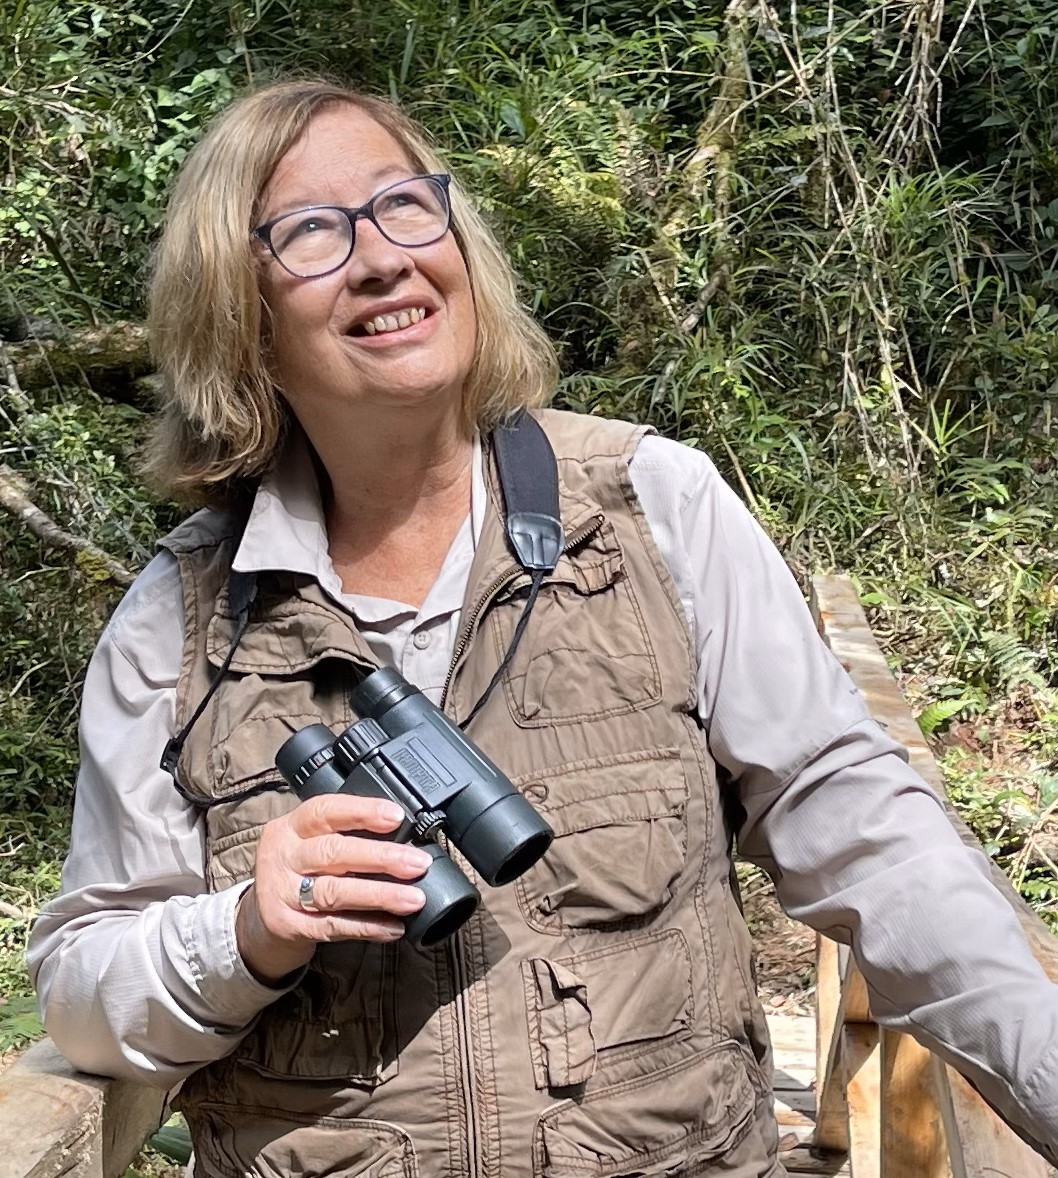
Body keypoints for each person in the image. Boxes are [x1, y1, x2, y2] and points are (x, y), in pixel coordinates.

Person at [27, 80, 1058, 1178]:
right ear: (241, 314)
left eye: (403, 206)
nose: (381, 258)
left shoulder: (650, 506)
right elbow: (85, 984)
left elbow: (868, 834)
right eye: (312, 232)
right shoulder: (185, 620)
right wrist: (246, 927)